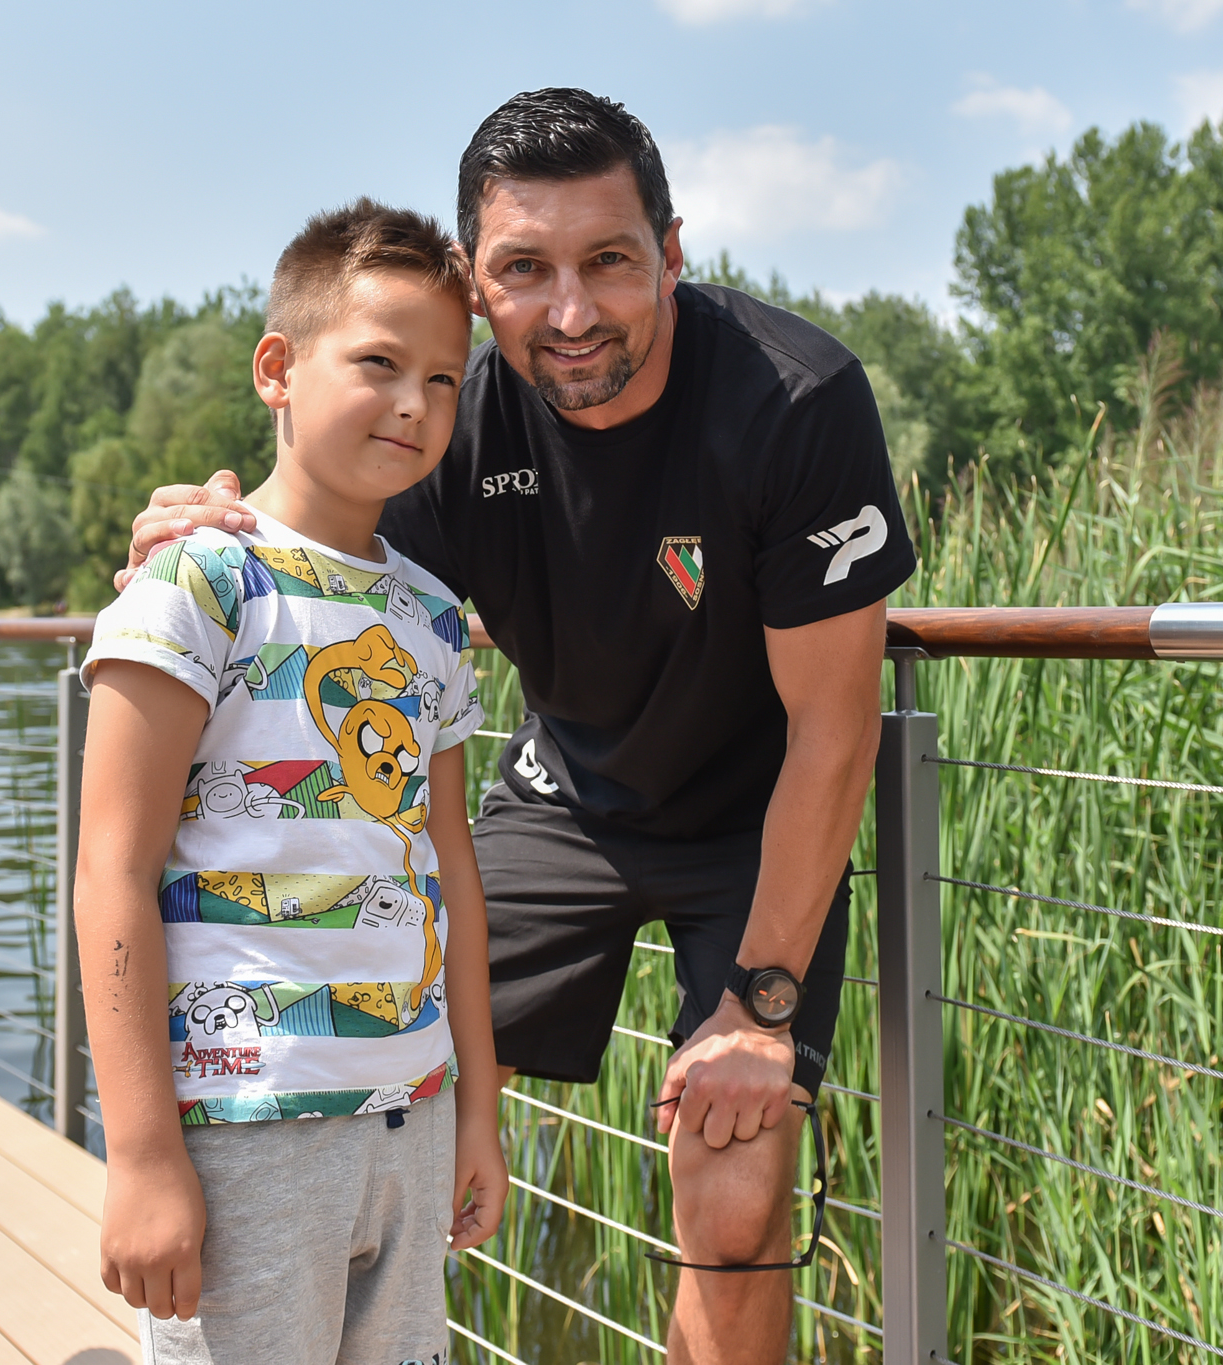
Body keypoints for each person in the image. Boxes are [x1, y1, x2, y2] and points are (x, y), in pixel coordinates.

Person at [123, 89, 913, 1364]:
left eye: (609, 261)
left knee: (732, 1190)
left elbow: (833, 731)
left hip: (752, 823)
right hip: (564, 802)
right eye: (524, 270)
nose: (572, 311)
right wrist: (208, 514)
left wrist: (758, 1009)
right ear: (473, 282)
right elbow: (315, 530)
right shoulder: (454, 414)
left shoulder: (793, 398)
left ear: (672, 251)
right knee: (353, 1030)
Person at [78, 200, 508, 1363]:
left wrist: (476, 1106)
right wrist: (142, 1154)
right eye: (378, 364)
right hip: (245, 1121)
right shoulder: (198, 583)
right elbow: (111, 870)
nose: (415, 403)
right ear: (277, 368)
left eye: (444, 379)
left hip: (411, 1113)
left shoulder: (431, 616)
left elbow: (448, 870)